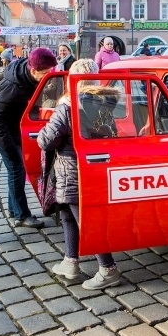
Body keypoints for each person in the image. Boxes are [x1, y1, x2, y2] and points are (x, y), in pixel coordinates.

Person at [38, 58, 122, 290]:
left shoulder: (68, 105)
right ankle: (70, 262)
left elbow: (46, 140)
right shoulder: (104, 102)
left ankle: (108, 269)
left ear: (72, 80)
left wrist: (42, 130)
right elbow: (110, 133)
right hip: (93, 167)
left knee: (86, 222)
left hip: (72, 170)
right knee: (67, 214)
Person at [0, 47, 57, 228]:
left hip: (11, 125)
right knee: (17, 169)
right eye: (46, 73)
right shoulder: (12, 87)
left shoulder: (27, 74)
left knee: (15, 169)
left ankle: (13, 209)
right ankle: (22, 215)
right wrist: (8, 145)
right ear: (33, 70)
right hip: (0, 129)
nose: (48, 76)